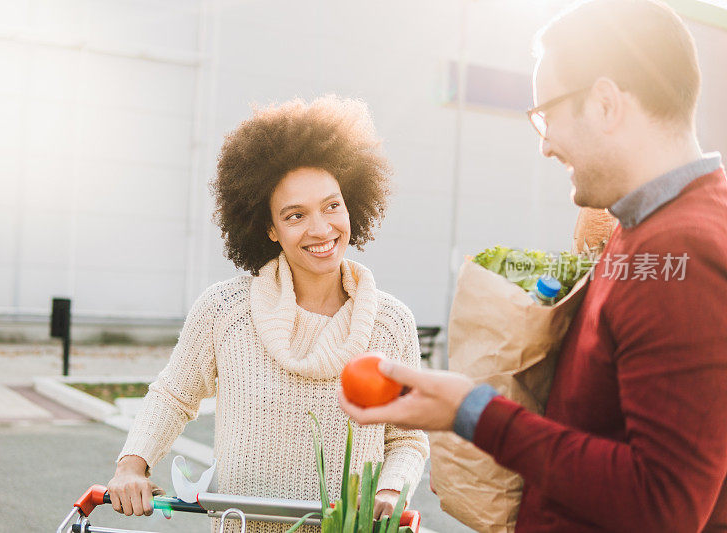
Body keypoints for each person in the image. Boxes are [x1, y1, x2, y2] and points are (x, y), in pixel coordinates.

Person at [340, 1, 727, 531]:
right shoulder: (655, 229)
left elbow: (661, 505)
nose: (544, 145)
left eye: (546, 115)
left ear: (606, 104)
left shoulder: (685, 252)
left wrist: (472, 412)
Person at [107, 95, 428, 533]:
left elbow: (406, 437)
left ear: (352, 202)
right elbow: (173, 395)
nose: (321, 229)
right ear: (270, 228)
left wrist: (391, 490)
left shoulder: (390, 324)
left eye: (332, 205)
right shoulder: (226, 310)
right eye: (296, 215)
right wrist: (131, 465)